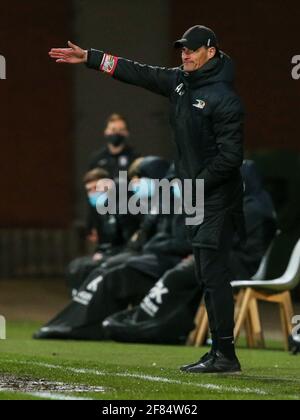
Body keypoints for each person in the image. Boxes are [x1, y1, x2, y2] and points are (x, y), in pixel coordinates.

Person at [49, 25, 245, 373]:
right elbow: (138, 73)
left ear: (210, 52)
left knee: (213, 277)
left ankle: (225, 355)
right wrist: (90, 58)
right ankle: (219, 352)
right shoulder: (180, 82)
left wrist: (195, 186)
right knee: (205, 275)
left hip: (215, 200)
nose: (184, 54)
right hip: (195, 197)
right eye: (182, 49)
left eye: (192, 49)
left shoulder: (224, 98)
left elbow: (230, 158)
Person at [89, 113, 139, 178]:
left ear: (127, 133)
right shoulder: (96, 159)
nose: (117, 133)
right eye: (113, 130)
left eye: (121, 130)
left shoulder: (135, 158)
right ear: (106, 131)